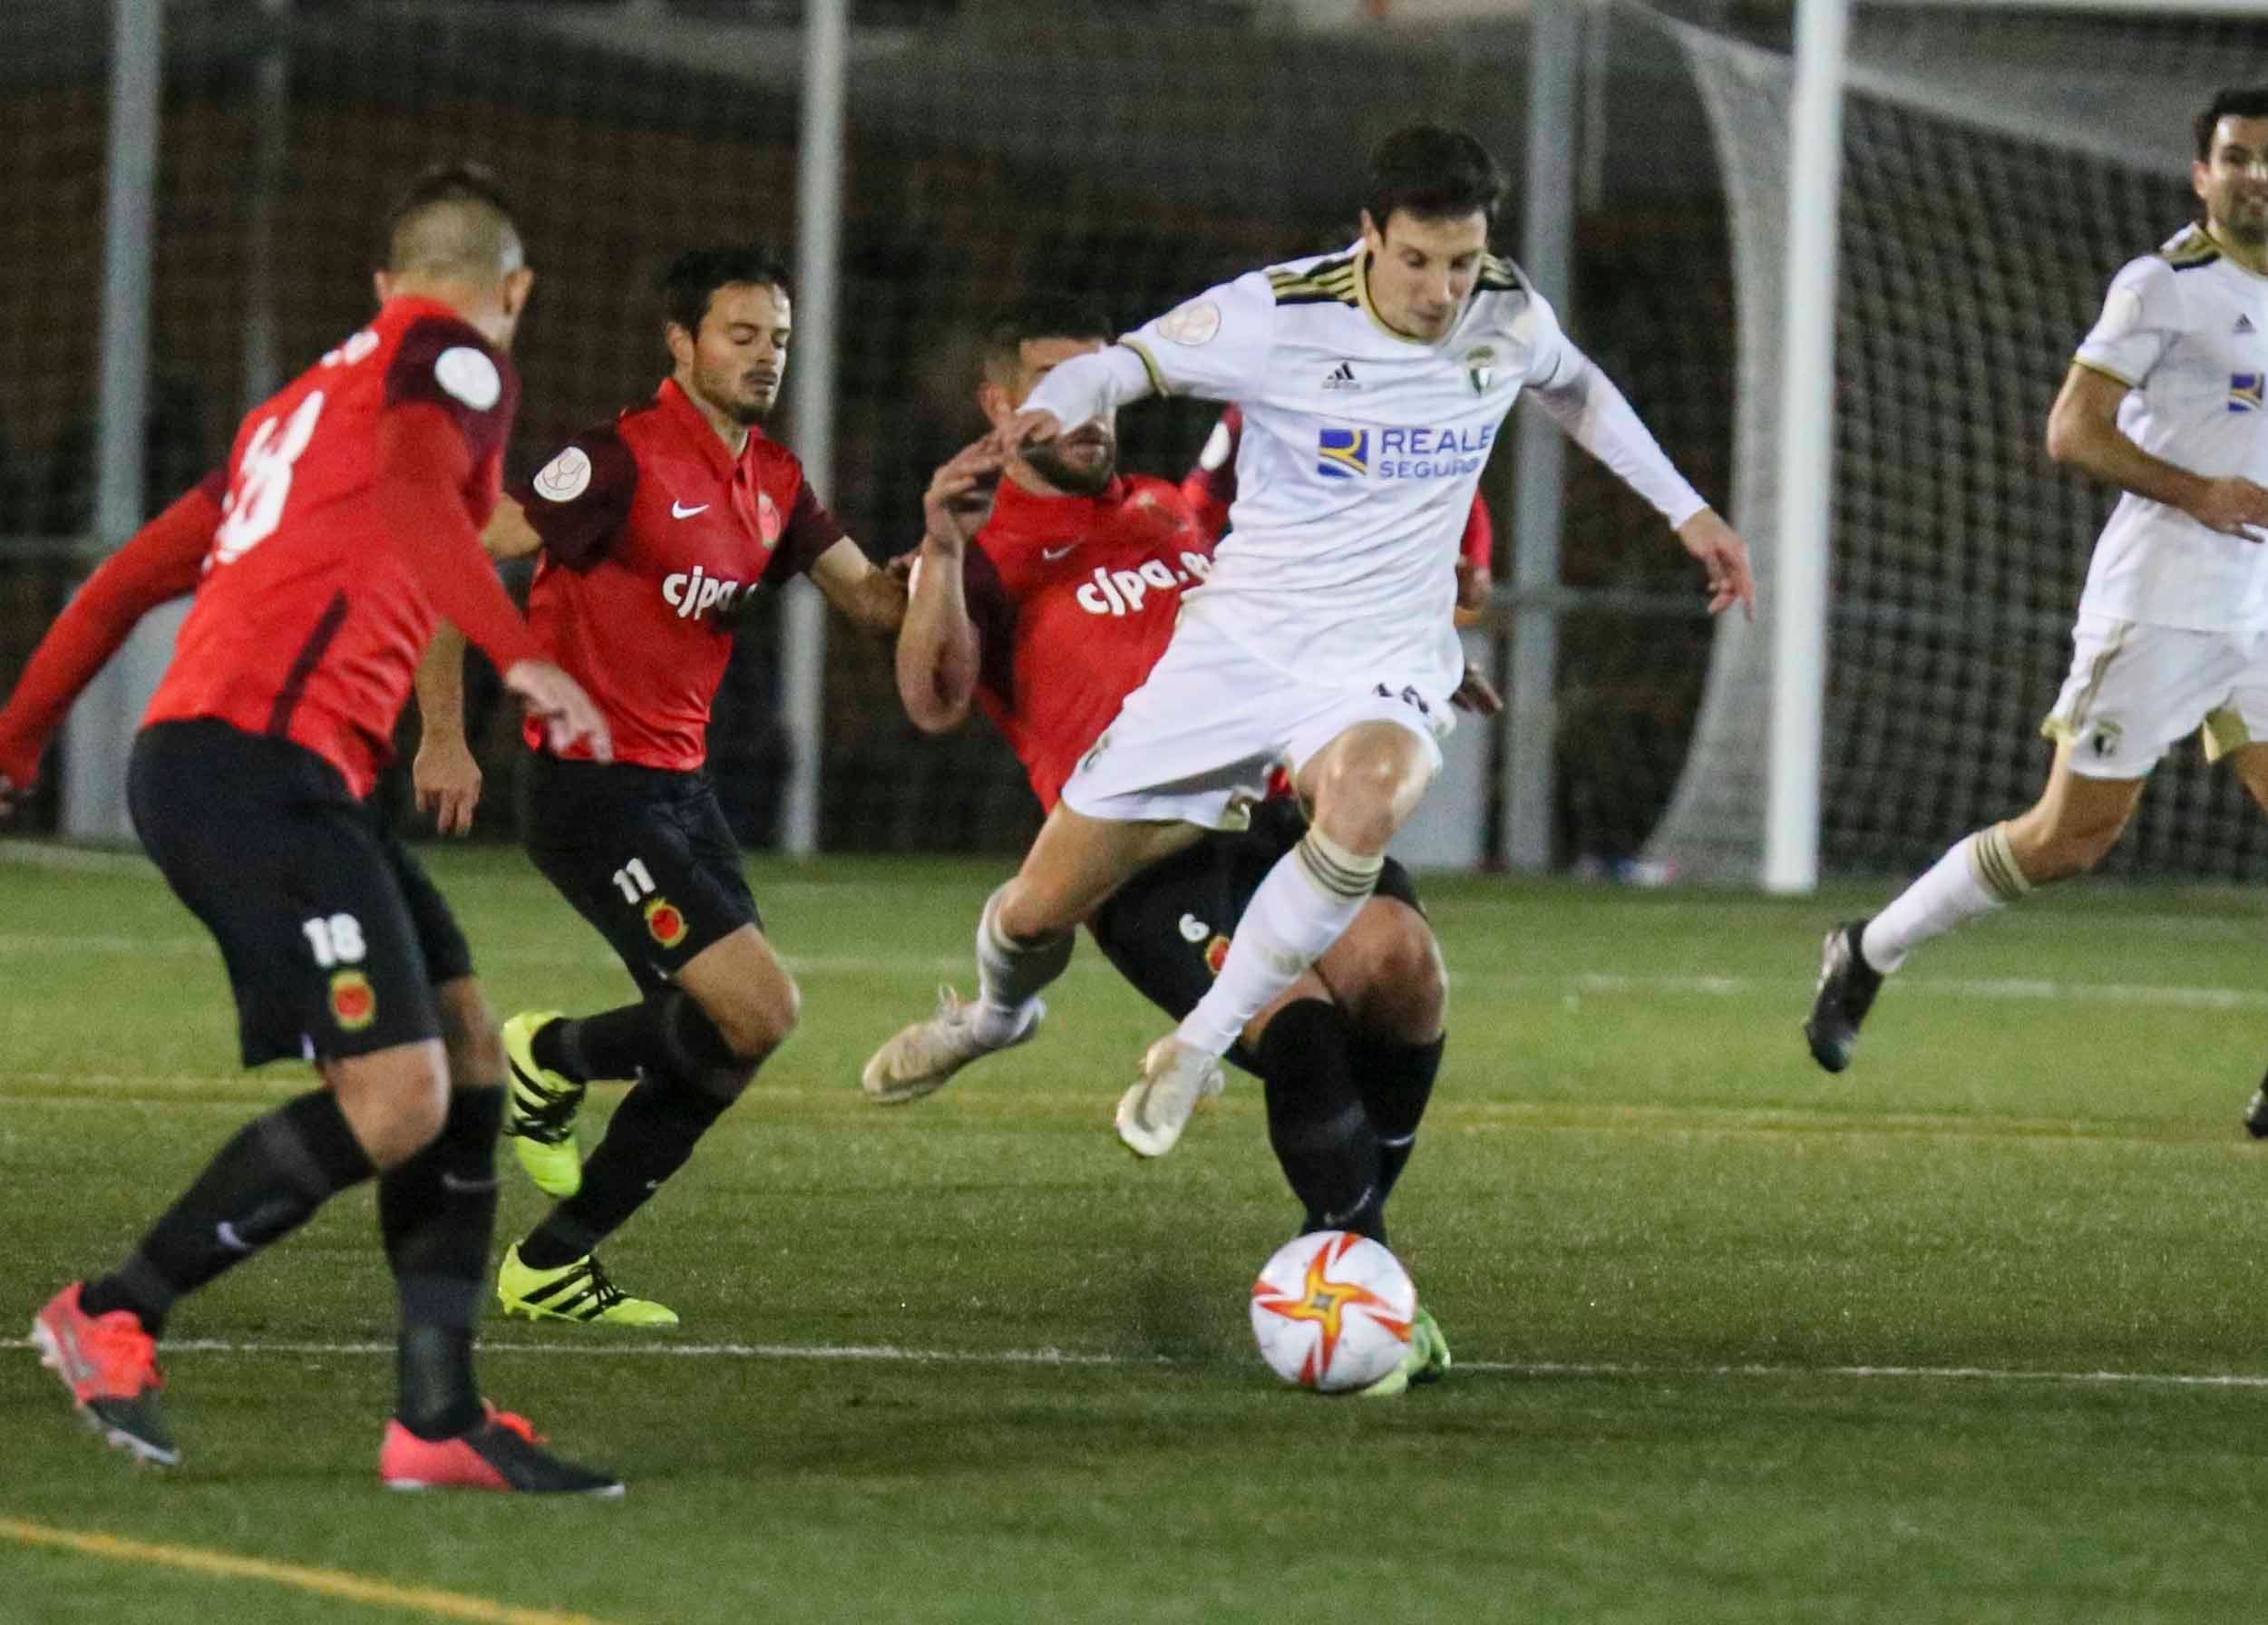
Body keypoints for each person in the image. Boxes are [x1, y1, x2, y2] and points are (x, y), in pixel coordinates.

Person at [866, 123, 1751, 1159]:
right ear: (1368, 235)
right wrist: (1049, 409)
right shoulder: (1272, 314)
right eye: (1416, 260)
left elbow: (1573, 386)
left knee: (1368, 813)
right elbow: (1124, 367)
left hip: (1361, 679)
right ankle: (995, 1015)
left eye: (1460, 262)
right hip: (1232, 672)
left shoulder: (1503, 313)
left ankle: (1198, 1053)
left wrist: (1689, 515)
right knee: (1029, 914)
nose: (1439, 291)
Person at [0, 165, 622, 1494]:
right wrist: (518, 658)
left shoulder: (289, 416)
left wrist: (15, 741)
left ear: (379, 285)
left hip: (258, 771)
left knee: (461, 1055)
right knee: (398, 1098)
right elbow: (416, 504)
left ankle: (438, 1421)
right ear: (510, 294)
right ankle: (114, 1309)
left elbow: (119, 585)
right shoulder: (455, 364)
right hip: (252, 768)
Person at [870, 293, 1497, 1395]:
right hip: (1147, 851)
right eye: (1063, 391)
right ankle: (1370, 1281)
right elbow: (932, 697)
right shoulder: (979, 547)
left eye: (1106, 385)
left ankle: (1347, 1250)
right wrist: (936, 545)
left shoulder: (1168, 508)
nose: (1093, 413)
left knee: (1405, 975)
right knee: (1296, 1029)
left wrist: (1403, 662)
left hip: (1277, 803)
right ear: (1001, 405)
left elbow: (1280, 610)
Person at [412, 245, 907, 1327]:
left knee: (729, 1038)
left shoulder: (772, 481)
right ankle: (547, 1056)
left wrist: (953, 556)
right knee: (760, 1004)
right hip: (589, 790)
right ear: (679, 343)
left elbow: (874, 605)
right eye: (740, 335)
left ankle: (552, 1254)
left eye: (776, 338)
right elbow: (453, 560)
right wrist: (443, 734)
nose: (763, 356)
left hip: (681, 791)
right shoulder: (615, 463)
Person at [1806, 87, 2268, 1103]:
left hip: (2259, 608)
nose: (2254, 176)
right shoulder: (2163, 286)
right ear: (2202, 175)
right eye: (2235, 158)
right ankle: (1867, 949)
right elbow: (2072, 429)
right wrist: (2200, 491)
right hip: (2161, 601)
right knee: (2069, 837)